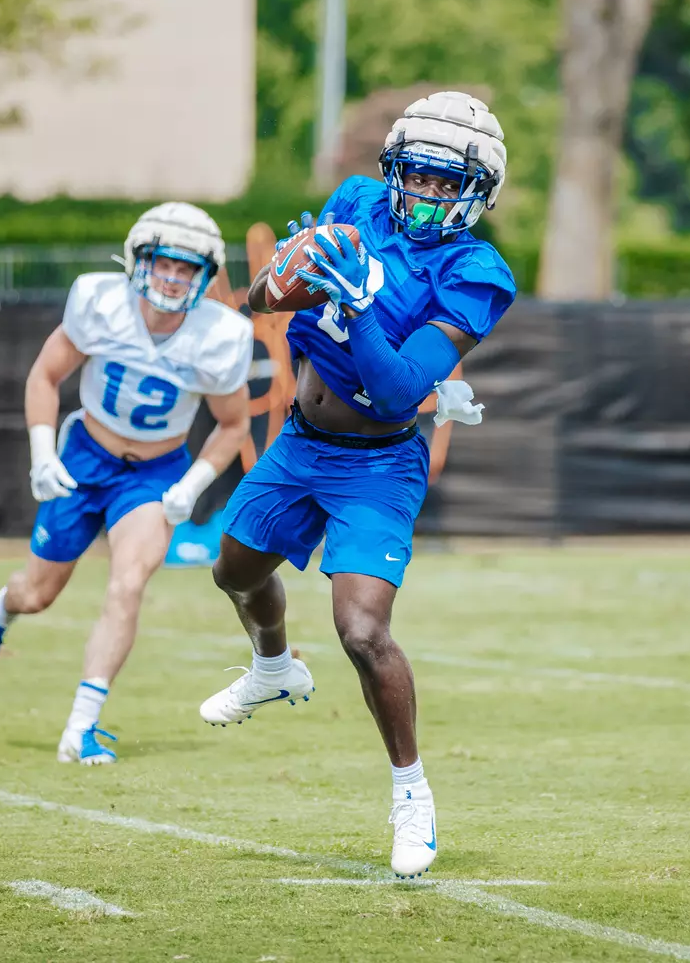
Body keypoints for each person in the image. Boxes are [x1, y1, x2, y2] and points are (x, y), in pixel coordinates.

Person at [200, 91, 516, 877]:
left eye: (448, 183)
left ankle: (412, 795)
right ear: (392, 167)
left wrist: (362, 306)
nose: (426, 193)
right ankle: (274, 667)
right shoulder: (356, 205)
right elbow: (262, 303)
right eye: (417, 174)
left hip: (379, 459)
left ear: (477, 193)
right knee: (231, 570)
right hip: (301, 442)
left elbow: (404, 387)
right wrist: (285, 283)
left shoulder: (478, 271)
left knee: (363, 631)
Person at [0, 202, 254, 765]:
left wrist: (193, 483)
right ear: (140, 261)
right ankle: (3, 608)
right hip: (83, 457)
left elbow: (233, 423)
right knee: (39, 594)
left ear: (204, 276)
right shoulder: (102, 303)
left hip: (152, 474)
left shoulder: (219, 334)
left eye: (186, 268)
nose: (172, 277)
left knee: (128, 584)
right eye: (164, 263)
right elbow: (46, 375)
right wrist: (42, 452)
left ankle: (82, 725)